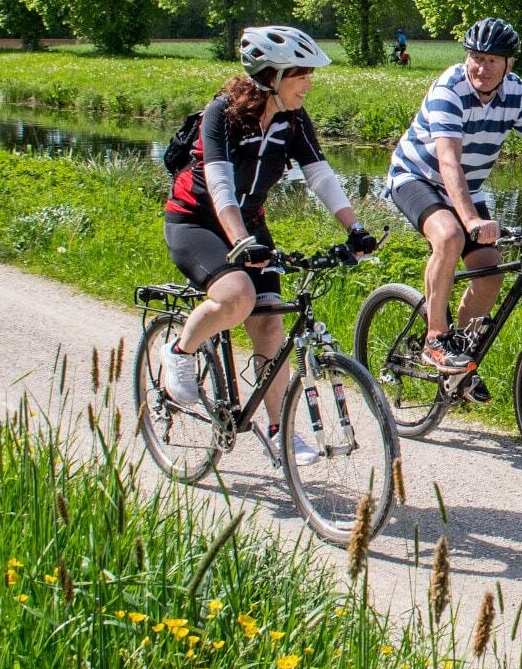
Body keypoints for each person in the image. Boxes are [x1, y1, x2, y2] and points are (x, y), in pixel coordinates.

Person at [159, 25, 380, 463]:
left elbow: (319, 175)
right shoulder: (220, 114)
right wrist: (240, 241)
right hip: (196, 221)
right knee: (237, 295)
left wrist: (355, 227)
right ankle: (179, 350)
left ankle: (281, 432)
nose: (309, 84)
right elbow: (220, 185)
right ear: (274, 75)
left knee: (271, 325)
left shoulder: (292, 119)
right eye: (303, 75)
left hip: (250, 225)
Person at [385, 17, 522, 388]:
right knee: (449, 236)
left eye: (492, 60)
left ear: (509, 65)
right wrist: (469, 220)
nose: (481, 68)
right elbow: (448, 160)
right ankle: (435, 339)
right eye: (476, 58)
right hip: (417, 176)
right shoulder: (449, 90)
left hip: (468, 186)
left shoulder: (516, 92)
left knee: (490, 272)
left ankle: (459, 357)